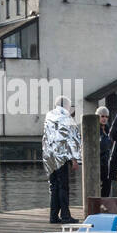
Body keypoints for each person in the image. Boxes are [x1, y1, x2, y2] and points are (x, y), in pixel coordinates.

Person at [42, 96, 81, 224]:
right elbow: (72, 139)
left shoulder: (49, 116)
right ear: (67, 106)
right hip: (61, 157)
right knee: (63, 187)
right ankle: (65, 215)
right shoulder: (67, 118)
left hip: (48, 157)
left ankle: (53, 216)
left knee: (54, 187)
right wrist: (75, 159)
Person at [97, 105, 113, 197]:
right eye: (102, 116)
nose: (104, 118)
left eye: (106, 116)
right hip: (98, 162)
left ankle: (104, 204)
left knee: (107, 185)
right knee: (99, 186)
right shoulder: (94, 128)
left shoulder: (108, 129)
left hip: (106, 162)